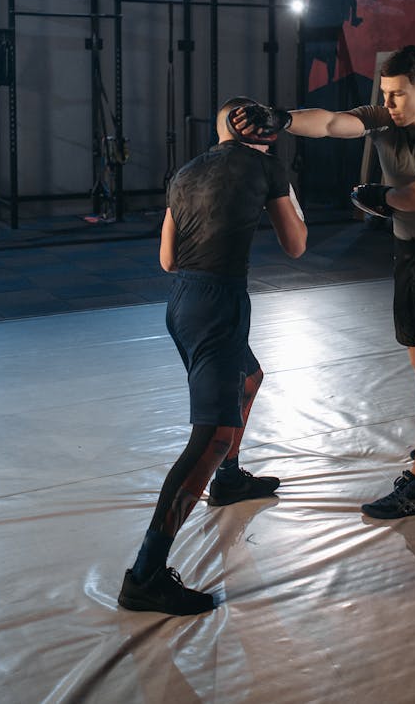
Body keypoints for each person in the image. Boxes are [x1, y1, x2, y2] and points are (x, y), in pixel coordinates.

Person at [232, 45, 415, 520]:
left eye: (398, 95)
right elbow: (329, 122)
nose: (388, 104)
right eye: (384, 95)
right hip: (408, 255)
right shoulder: (384, 119)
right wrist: (281, 118)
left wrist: (381, 196)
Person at [117, 96, 307, 616]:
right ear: (259, 129)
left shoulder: (185, 172)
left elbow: (166, 259)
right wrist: (283, 184)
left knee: (249, 378)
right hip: (219, 306)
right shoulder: (267, 165)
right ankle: (146, 575)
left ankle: (229, 478)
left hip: (182, 303)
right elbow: (296, 245)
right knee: (211, 435)